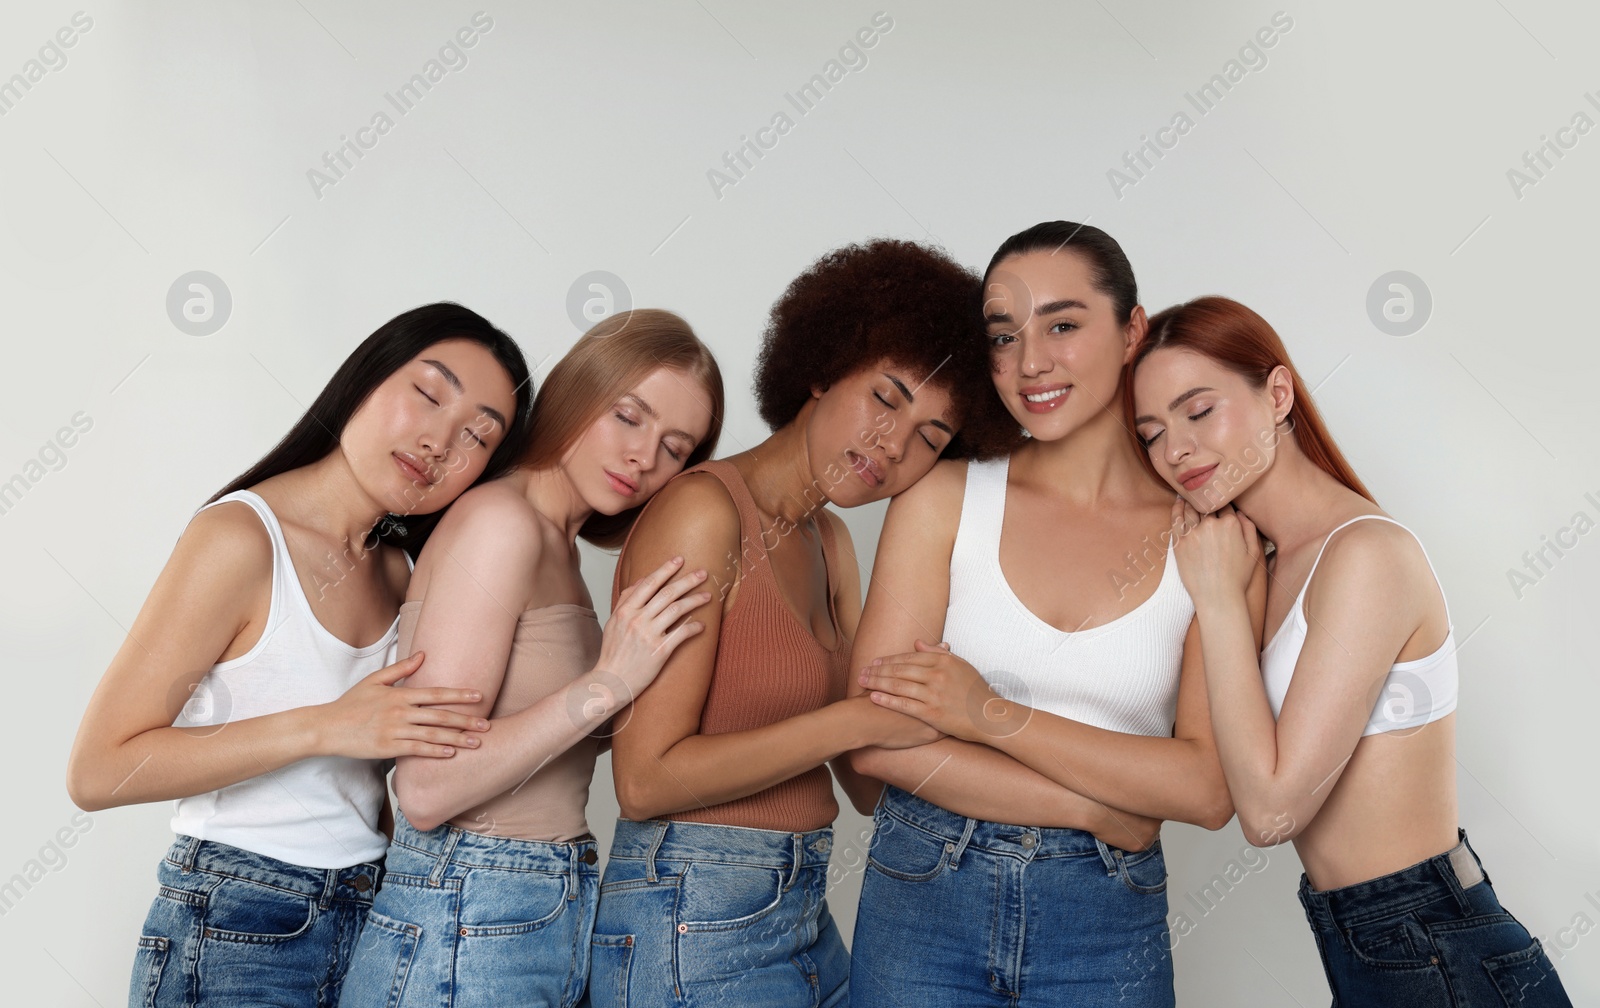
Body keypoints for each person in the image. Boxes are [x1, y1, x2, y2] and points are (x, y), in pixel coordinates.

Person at [585, 239, 1017, 1008]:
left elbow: (867, 782)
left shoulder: (831, 542)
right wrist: (853, 719)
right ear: (822, 367)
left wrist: (993, 723)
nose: (893, 445)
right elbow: (646, 779)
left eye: (931, 437)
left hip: (801, 905)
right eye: (885, 399)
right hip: (690, 909)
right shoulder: (702, 513)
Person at [66, 303, 536, 1007]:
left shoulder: (402, 571)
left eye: (477, 435)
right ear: (364, 378)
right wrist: (324, 725)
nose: (441, 441)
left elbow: (372, 786)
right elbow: (99, 769)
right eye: (429, 394)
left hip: (368, 914)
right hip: (236, 923)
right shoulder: (241, 540)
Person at [1129, 294, 1572, 1006]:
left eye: (1198, 410)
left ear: (1277, 394)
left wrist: (1215, 603)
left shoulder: (1366, 555)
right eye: (1150, 433)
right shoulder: (1259, 568)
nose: (1174, 449)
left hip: (1436, 946)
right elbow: (1209, 769)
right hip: (1373, 948)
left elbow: (1271, 813)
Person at [847, 222, 1235, 1008]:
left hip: (1105, 918)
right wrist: (1098, 806)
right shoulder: (945, 496)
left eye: (1063, 324)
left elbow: (1204, 788)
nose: (1030, 364)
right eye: (1004, 336)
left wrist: (982, 713)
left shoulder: (1205, 528)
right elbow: (871, 739)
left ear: (1132, 331)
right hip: (925, 888)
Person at [337, 309, 724, 1008]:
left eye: (675, 447)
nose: (645, 457)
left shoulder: (561, 549)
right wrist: (608, 684)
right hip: (469, 904)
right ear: (578, 392)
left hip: (544, 904)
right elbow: (426, 790)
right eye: (628, 417)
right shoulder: (501, 524)